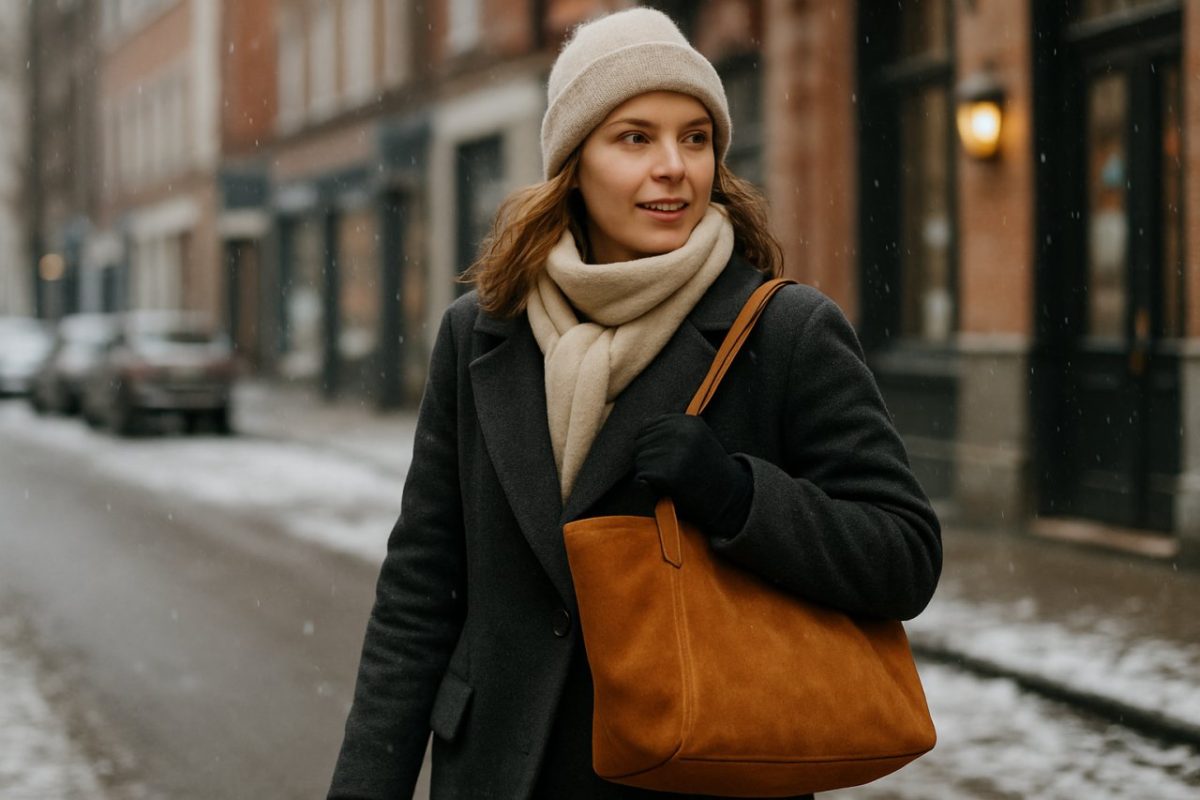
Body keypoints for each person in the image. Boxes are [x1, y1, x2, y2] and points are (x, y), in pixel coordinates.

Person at [328, 8, 940, 800]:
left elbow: (904, 556)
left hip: (700, 771)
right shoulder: (482, 335)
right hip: (503, 774)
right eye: (634, 137)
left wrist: (741, 496)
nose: (673, 167)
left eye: (695, 137)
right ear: (573, 163)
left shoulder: (784, 330)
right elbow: (420, 591)